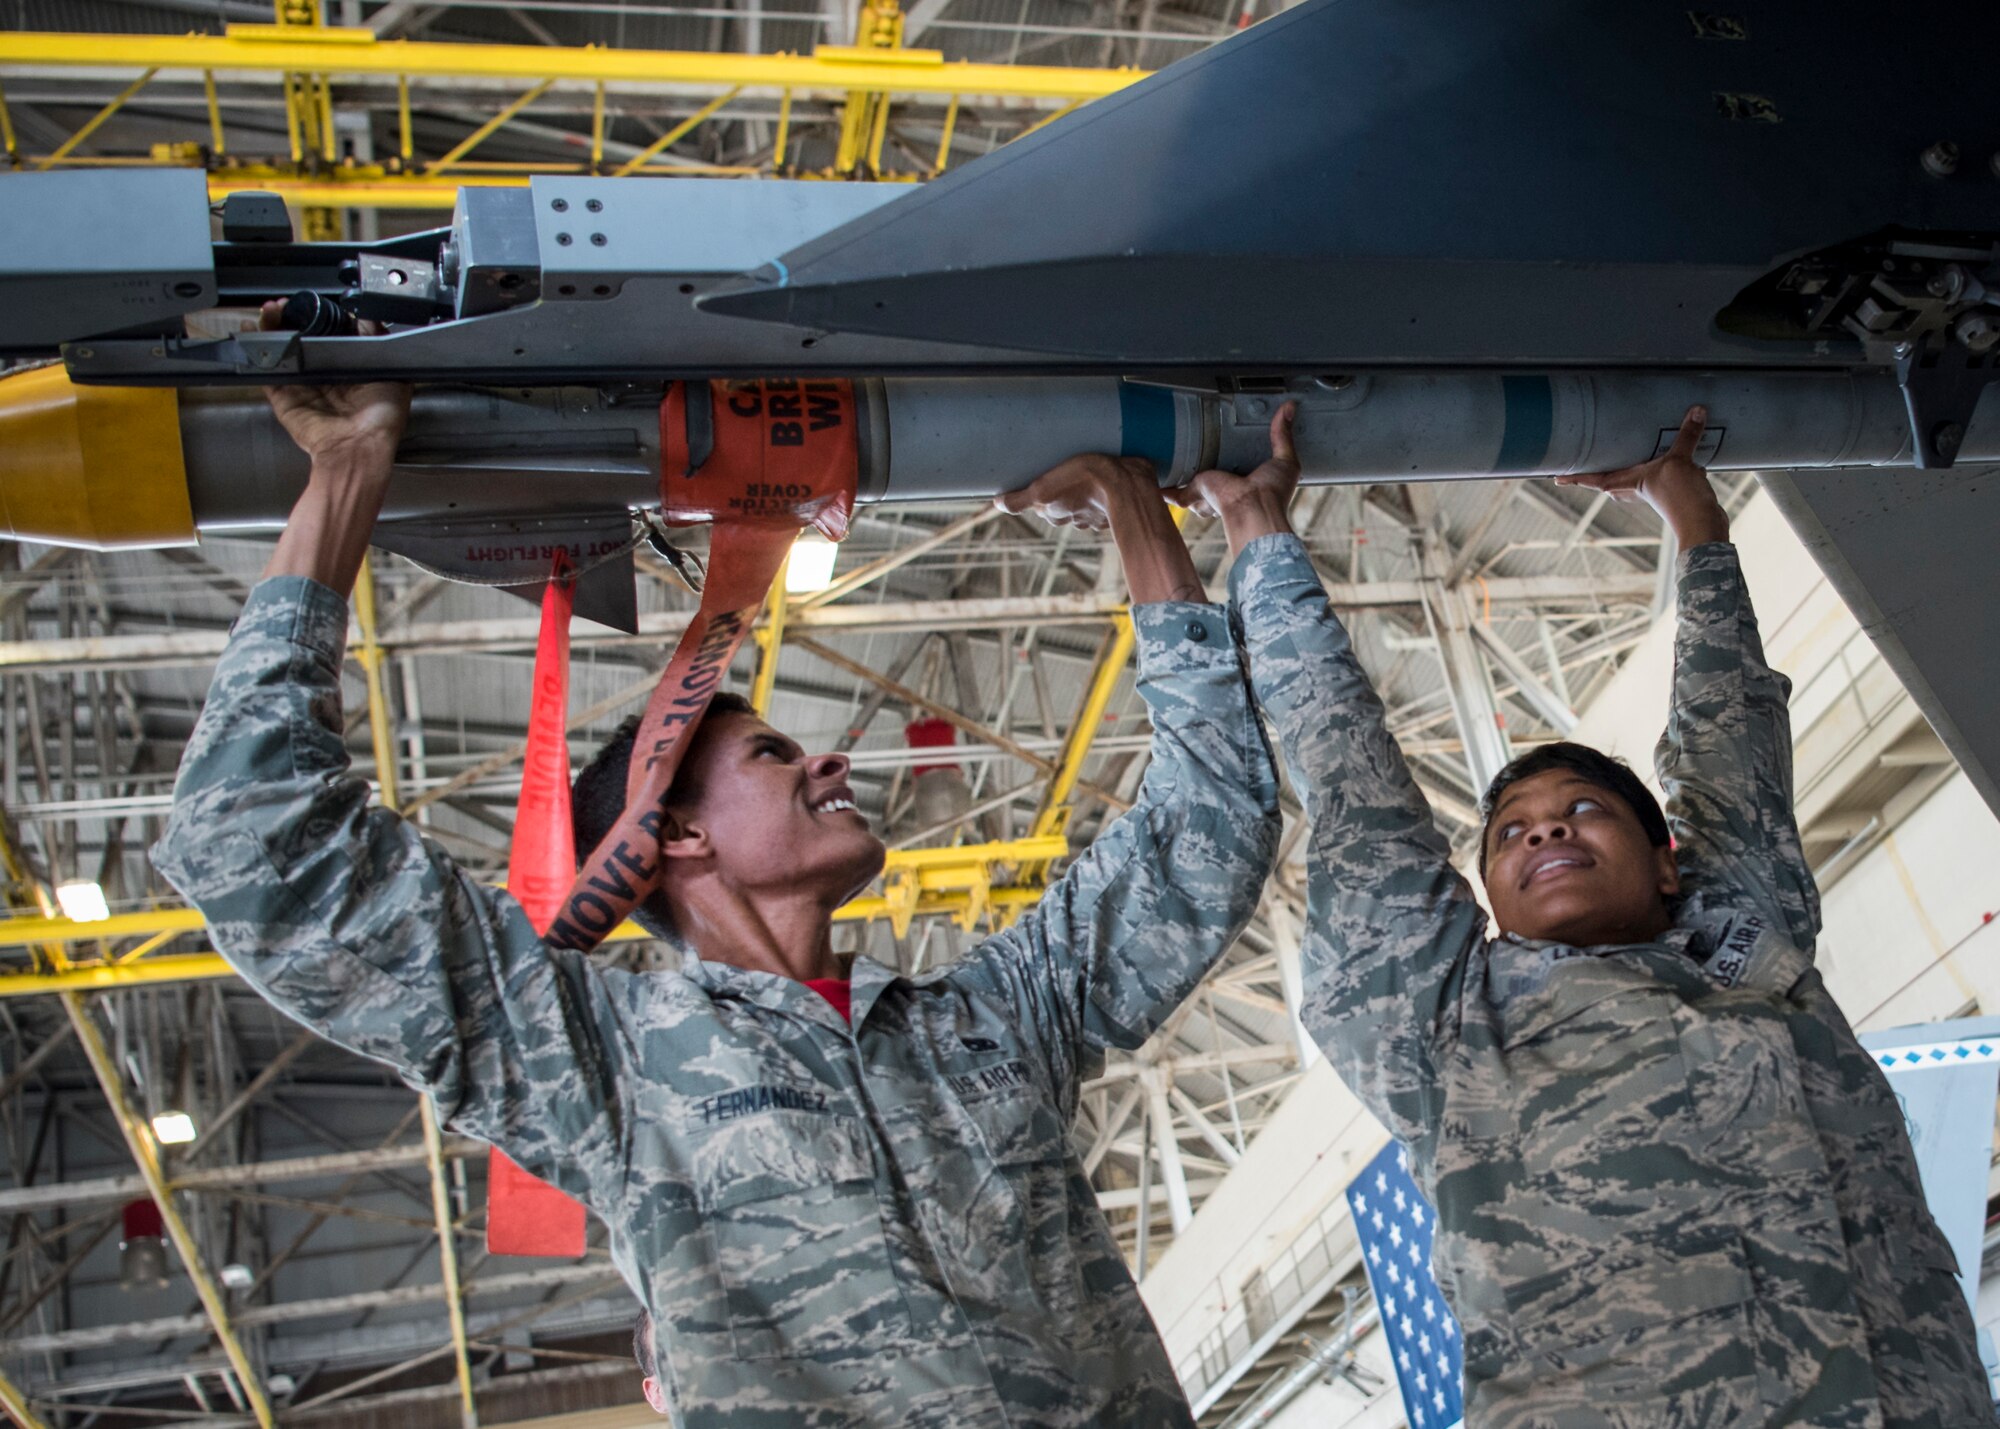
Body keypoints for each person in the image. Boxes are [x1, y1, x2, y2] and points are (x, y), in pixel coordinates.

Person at [151, 344, 1281, 1428]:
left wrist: (1138, 512)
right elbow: (260, 841)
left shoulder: (990, 1022)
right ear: (676, 833)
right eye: (771, 754)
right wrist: (348, 473)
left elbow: (1208, 824)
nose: (827, 761)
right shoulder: (607, 1063)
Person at [1176, 405, 1992, 1425]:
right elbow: (1354, 795)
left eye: (1579, 810)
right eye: (1509, 831)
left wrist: (1690, 514)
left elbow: (1726, 728)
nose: (1541, 832)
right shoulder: (1447, 1029)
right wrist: (1260, 544)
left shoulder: (1740, 942)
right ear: (1488, 900)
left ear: (1665, 864)